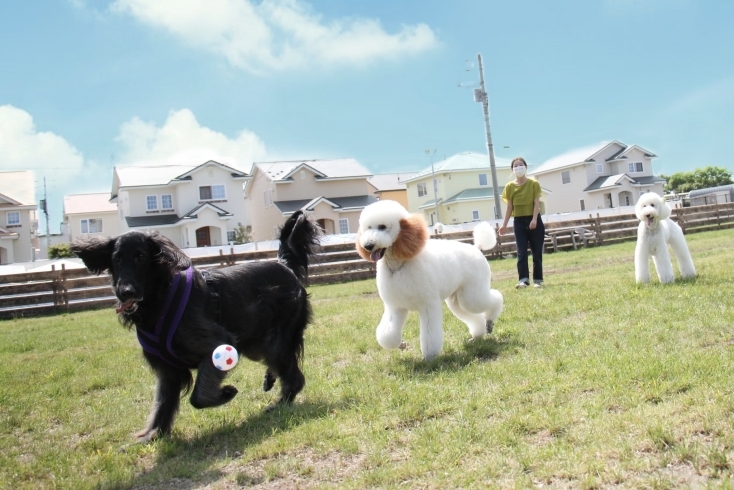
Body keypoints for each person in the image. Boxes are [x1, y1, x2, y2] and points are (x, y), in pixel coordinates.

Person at [498, 157, 545, 289]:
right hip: (518, 221)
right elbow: (509, 208)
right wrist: (504, 225)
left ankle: (537, 280)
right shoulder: (509, 187)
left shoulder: (533, 184)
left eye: (521, 165)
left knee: (536, 252)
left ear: (525, 167)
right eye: (516, 165)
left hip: (534, 220)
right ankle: (523, 280)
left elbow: (537, 203)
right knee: (521, 252)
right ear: (512, 170)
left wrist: (534, 219)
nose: (518, 167)